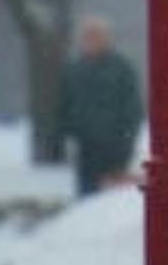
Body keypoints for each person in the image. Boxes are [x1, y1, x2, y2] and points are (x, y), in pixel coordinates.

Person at [56, 13, 145, 197]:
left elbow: (131, 110)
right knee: (86, 195)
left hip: (114, 147)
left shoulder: (121, 69)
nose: (90, 41)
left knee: (110, 198)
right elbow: (64, 106)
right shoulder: (74, 70)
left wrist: (124, 144)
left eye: (96, 36)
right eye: (87, 36)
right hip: (85, 148)